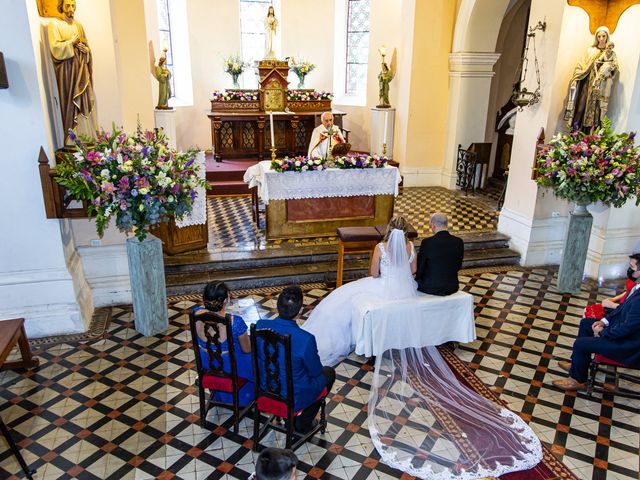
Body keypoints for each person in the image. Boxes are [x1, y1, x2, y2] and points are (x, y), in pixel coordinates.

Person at [303, 216, 417, 366]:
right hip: (405, 290)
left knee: (343, 296)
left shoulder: (381, 247)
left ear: (390, 228)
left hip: (382, 288)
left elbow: (374, 273)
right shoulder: (411, 246)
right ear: (405, 231)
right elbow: (413, 270)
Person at [553, 253, 640, 390]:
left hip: (628, 345)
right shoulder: (636, 287)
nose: (629, 269)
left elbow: (628, 328)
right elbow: (621, 309)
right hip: (622, 332)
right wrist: (604, 321)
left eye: (632, 267)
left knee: (581, 344)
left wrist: (603, 332)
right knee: (586, 323)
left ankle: (577, 380)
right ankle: (577, 364)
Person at [255, 285, 335, 433]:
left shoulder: (260, 326)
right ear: (299, 312)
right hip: (293, 396)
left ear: (277, 306)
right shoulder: (305, 339)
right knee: (328, 373)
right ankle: (303, 422)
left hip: (265, 386)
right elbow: (316, 371)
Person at [193, 282, 254, 406]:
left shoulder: (195, 313)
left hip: (206, 364)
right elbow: (247, 350)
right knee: (256, 355)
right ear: (226, 300)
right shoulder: (235, 322)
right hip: (229, 369)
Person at [48, 0, 98, 144]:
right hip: (68, 73)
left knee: (86, 99)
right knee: (71, 103)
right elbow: (55, 48)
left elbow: (87, 47)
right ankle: (72, 139)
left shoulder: (79, 25)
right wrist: (71, 42)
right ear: (61, 6)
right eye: (67, 5)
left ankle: (88, 136)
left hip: (82, 70)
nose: (70, 8)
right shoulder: (55, 24)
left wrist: (86, 51)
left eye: (72, 5)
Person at [563, 26, 617, 131]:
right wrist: (576, 78)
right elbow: (581, 65)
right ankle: (575, 134)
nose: (601, 38)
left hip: (601, 86)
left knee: (597, 113)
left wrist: (610, 69)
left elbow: (614, 68)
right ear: (596, 37)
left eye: (604, 36)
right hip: (587, 82)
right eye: (599, 36)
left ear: (607, 37)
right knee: (580, 108)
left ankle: (590, 138)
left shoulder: (611, 53)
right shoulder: (591, 50)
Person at [415, 212, 464, 296]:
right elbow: (458, 266)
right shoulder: (458, 241)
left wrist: (417, 280)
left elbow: (420, 268)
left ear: (433, 225)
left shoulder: (427, 242)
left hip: (430, 287)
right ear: (446, 224)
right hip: (452, 286)